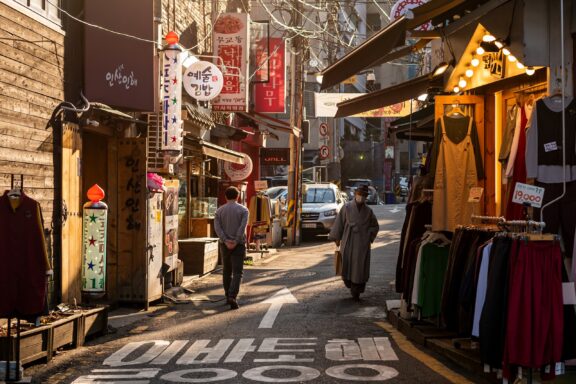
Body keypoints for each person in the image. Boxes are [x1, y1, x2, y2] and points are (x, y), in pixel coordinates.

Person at [329, 185, 379, 300]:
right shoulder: (346, 208)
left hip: (362, 244)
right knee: (347, 265)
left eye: (363, 195)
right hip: (348, 241)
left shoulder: (369, 211)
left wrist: (368, 236)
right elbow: (339, 224)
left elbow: (375, 226)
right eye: (359, 194)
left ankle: (357, 290)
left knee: (359, 268)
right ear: (356, 194)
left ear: (366, 197)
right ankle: (349, 283)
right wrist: (337, 238)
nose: (361, 197)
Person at [214, 186, 249, 310]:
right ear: (237, 196)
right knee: (237, 272)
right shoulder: (244, 210)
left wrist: (225, 240)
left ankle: (227, 295)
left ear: (225, 197)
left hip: (224, 245)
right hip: (238, 245)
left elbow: (218, 229)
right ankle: (232, 296)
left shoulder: (219, 211)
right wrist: (235, 240)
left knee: (226, 270)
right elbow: (242, 227)